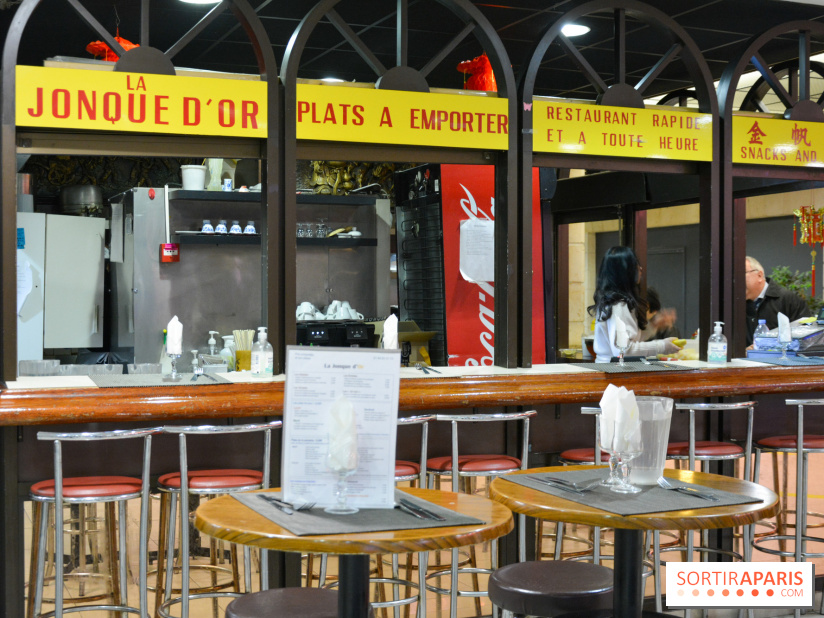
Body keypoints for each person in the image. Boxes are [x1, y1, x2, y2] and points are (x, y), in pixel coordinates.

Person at [589, 246, 681, 362]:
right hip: (613, 371)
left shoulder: (613, 301)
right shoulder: (619, 305)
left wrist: (653, 326)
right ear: (625, 271)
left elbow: (628, 342)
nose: (640, 269)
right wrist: (661, 346)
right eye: (635, 265)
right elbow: (623, 351)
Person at [745, 256, 809, 346]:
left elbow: (806, 338)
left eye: (741, 274)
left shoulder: (788, 299)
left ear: (759, 275)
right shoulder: (734, 304)